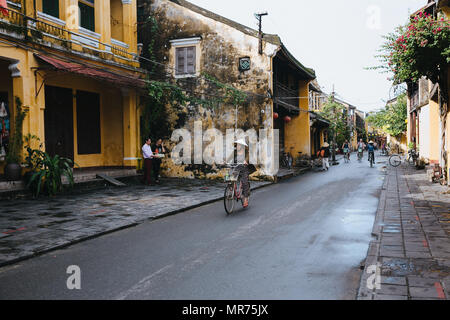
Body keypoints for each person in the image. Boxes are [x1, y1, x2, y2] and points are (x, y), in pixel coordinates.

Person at [235, 139, 251, 208]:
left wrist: (245, 161)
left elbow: (247, 157)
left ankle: (246, 199)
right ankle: (232, 189)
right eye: (237, 145)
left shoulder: (246, 152)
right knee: (230, 177)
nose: (238, 146)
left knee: (244, 182)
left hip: (244, 169)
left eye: (239, 145)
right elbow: (229, 158)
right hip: (237, 168)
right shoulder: (235, 152)